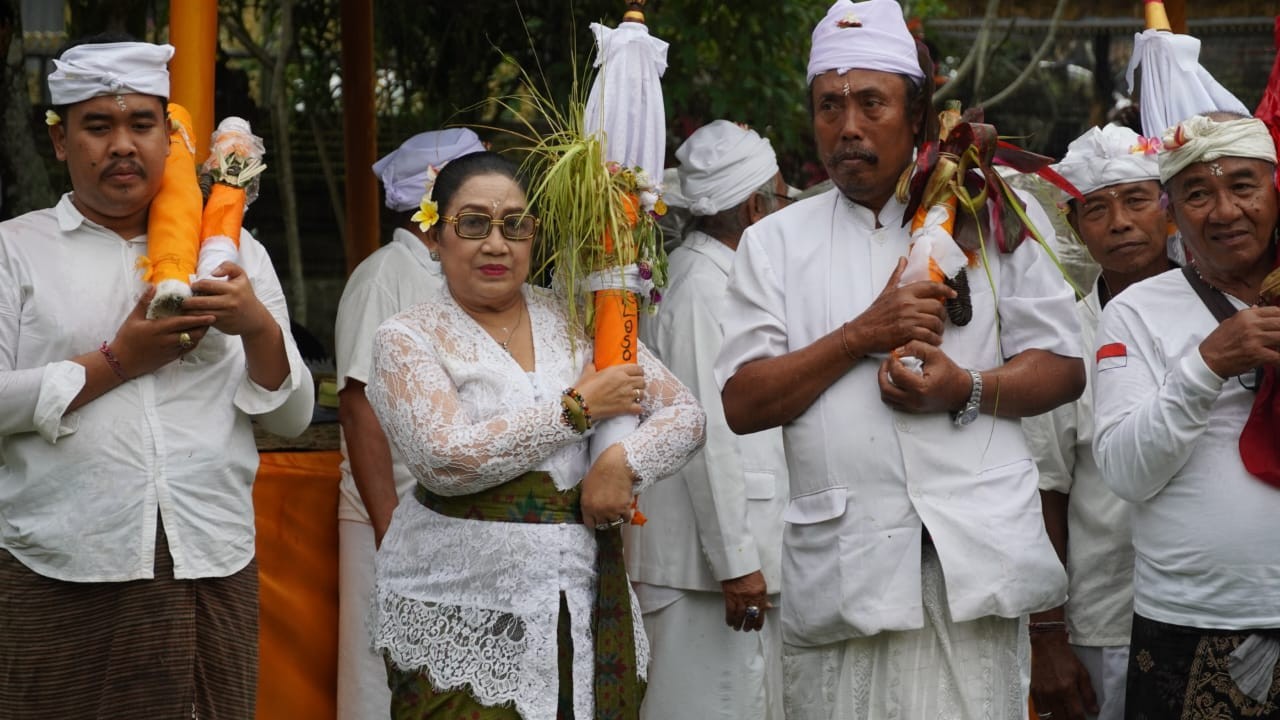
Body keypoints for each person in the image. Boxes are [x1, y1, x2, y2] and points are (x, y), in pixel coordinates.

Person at [713, 1, 1086, 718]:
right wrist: (861, 335)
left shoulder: (992, 211)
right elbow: (742, 402)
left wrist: (967, 388)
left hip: (971, 569)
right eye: (829, 105)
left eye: (870, 102)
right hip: (846, 575)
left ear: (917, 114)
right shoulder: (776, 242)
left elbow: (1064, 367)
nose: (847, 126)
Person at [0, 36, 314, 719]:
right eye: (97, 125)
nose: (122, 145)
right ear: (59, 140)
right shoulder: (15, 250)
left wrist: (255, 323)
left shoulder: (230, 251)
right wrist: (119, 361)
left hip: (209, 562)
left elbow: (290, 418)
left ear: (170, 139)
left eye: (142, 125)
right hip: (59, 564)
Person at [364, 150, 705, 719]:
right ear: (435, 235)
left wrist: (621, 463)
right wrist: (574, 410)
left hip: (577, 604)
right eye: (472, 223)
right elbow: (445, 461)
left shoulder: (573, 320)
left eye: (514, 225)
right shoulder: (407, 338)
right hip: (459, 607)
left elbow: (685, 415)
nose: (496, 244)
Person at [1093, 112, 1280, 718]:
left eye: (1244, 186)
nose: (1224, 211)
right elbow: (1124, 473)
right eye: (1199, 193)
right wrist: (1205, 366)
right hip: (1191, 624)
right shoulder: (1135, 312)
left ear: (1276, 189)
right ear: (1172, 211)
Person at [627, 120, 791, 720]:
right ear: (755, 207)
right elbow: (707, 436)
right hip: (702, 569)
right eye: (782, 195)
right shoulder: (702, 289)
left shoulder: (720, 278)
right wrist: (736, 562)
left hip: (719, 562)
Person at [333, 127, 485, 720]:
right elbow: (358, 405)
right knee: (382, 679)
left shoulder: (453, 275)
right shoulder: (383, 276)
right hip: (390, 514)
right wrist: (392, 532)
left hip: (448, 518)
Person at [1022, 124, 1171, 720]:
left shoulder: (1222, 319)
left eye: (1137, 200)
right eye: (1098, 209)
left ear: (1168, 210)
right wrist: (1047, 634)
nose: (1120, 223)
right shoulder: (1063, 341)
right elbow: (1045, 491)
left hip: (1212, 607)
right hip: (1105, 618)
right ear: (1075, 223)